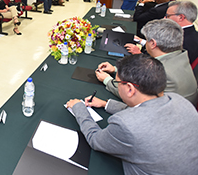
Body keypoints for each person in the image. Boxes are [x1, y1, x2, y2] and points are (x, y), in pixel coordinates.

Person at [66, 54, 198, 175]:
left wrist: (79, 108)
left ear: (130, 89)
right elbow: (145, 109)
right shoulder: (179, 100)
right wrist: (106, 104)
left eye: (117, 83)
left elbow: (95, 139)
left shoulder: (126, 125)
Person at [97, 19, 198, 105]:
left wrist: (107, 80)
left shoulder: (163, 72)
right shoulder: (180, 56)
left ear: (153, 43)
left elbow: (133, 95)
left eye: (147, 40)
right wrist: (115, 69)